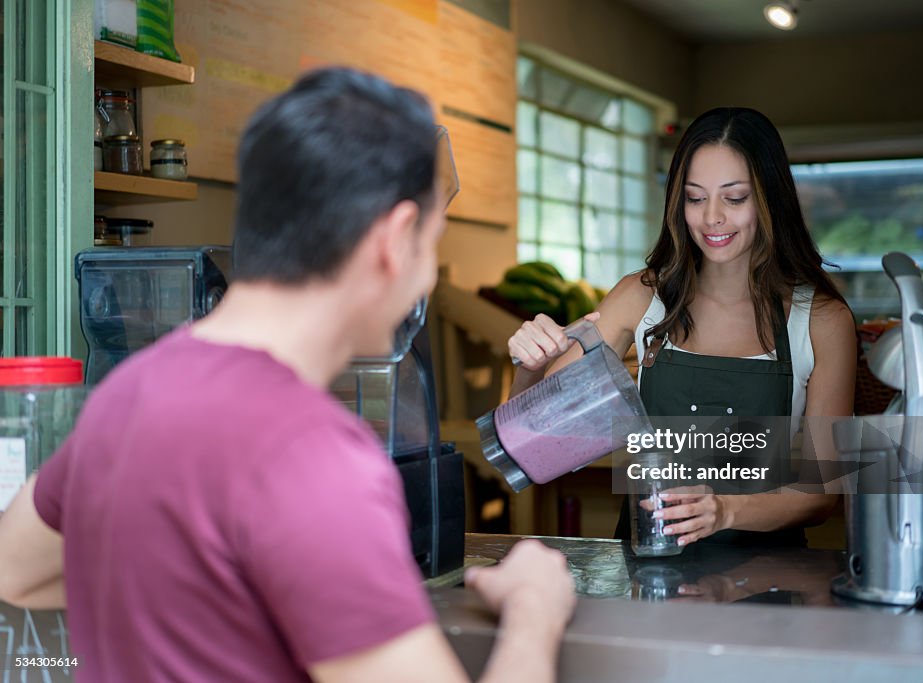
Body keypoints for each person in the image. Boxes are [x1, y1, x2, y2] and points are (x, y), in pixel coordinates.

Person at [0, 68, 575, 682]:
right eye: (431, 243)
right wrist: (533, 609)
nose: (426, 277)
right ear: (395, 239)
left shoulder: (126, 393)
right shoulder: (315, 456)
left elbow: (18, 570)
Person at [508, 106, 857, 548]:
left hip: (767, 582)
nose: (712, 217)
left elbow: (824, 493)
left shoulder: (822, 320)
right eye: (695, 197)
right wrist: (529, 366)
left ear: (771, 199)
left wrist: (725, 510)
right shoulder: (641, 298)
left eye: (734, 198)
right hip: (647, 572)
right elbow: (534, 446)